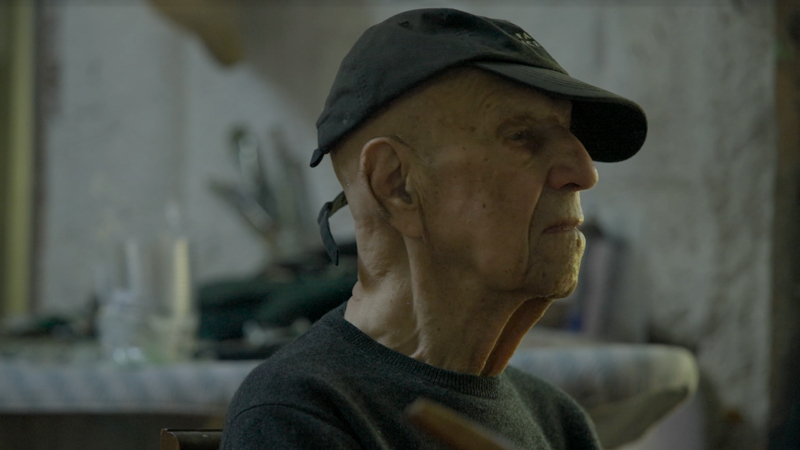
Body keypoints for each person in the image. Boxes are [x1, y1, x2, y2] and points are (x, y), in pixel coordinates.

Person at [220, 8, 647, 450]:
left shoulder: (559, 421)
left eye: (571, 136)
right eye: (522, 136)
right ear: (396, 185)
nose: (584, 172)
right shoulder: (300, 412)